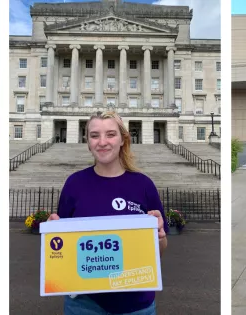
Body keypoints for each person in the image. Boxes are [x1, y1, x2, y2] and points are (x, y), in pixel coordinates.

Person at [48, 111, 168, 315]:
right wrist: (53, 234)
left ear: (123, 139)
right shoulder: (74, 184)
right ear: (88, 142)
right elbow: (64, 249)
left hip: (136, 302)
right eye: (95, 135)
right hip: (85, 303)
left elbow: (160, 250)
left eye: (110, 134)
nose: (102, 142)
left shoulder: (143, 185)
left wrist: (160, 236)